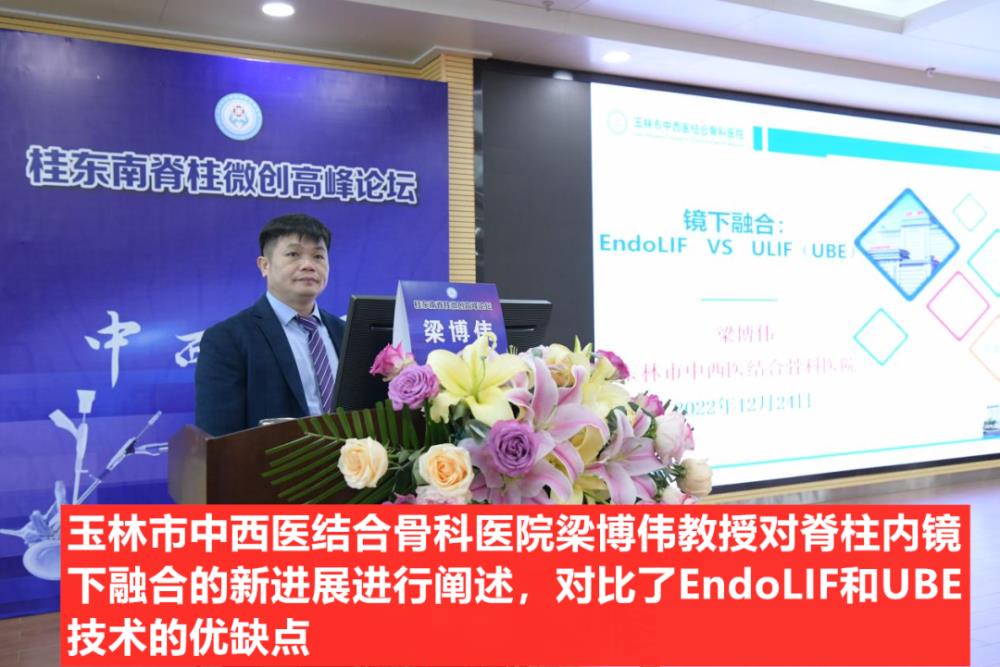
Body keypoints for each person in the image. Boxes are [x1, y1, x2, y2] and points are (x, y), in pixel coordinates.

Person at [195, 213, 345, 436]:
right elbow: (218, 437)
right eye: (293, 254)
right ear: (264, 265)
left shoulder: (346, 333)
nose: (308, 265)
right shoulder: (227, 339)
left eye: (318, 256)